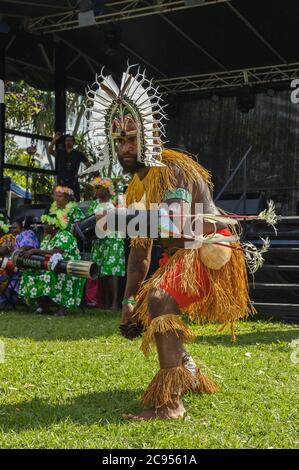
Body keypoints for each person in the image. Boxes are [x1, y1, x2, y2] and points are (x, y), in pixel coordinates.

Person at [87, 66, 274, 420]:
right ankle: (185, 369)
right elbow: (140, 251)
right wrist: (128, 300)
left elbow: (174, 222)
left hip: (210, 248)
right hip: (184, 253)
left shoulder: (172, 168)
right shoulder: (136, 186)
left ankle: (171, 404)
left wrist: (116, 219)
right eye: (119, 141)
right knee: (148, 299)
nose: (125, 147)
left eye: (131, 138)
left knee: (160, 297)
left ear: (151, 135)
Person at [19, 213, 86, 316]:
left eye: (46, 224)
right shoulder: (47, 237)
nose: (44, 226)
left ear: (54, 225)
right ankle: (43, 306)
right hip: (50, 267)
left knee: (50, 276)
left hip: (67, 269)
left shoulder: (65, 235)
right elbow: (43, 251)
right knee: (28, 274)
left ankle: (62, 307)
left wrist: (34, 251)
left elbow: (56, 252)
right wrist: (28, 248)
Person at [87, 176, 125, 310]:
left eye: (99, 188)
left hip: (113, 239)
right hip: (98, 240)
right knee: (101, 271)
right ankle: (105, 301)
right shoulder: (94, 204)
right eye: (95, 188)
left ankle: (115, 302)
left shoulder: (116, 202)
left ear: (107, 189)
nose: (96, 191)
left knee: (112, 270)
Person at [49, 133, 91, 201]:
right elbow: (50, 151)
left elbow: (89, 166)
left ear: (73, 143)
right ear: (65, 142)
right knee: (61, 202)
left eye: (70, 140)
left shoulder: (79, 154)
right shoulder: (60, 153)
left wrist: (82, 175)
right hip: (62, 182)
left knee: (74, 202)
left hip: (73, 182)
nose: (68, 142)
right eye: (67, 140)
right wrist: (54, 140)